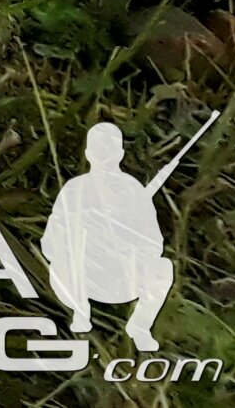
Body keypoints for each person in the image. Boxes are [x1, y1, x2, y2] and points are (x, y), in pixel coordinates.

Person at [42, 120, 179, 349]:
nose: (104, 157)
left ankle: (140, 327)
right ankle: (80, 312)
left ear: (120, 154)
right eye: (99, 150)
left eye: (109, 150)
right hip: (82, 278)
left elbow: (155, 244)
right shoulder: (74, 190)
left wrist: (128, 241)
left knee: (163, 268)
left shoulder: (134, 191)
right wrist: (83, 242)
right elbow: (50, 243)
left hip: (124, 277)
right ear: (88, 154)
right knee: (60, 264)